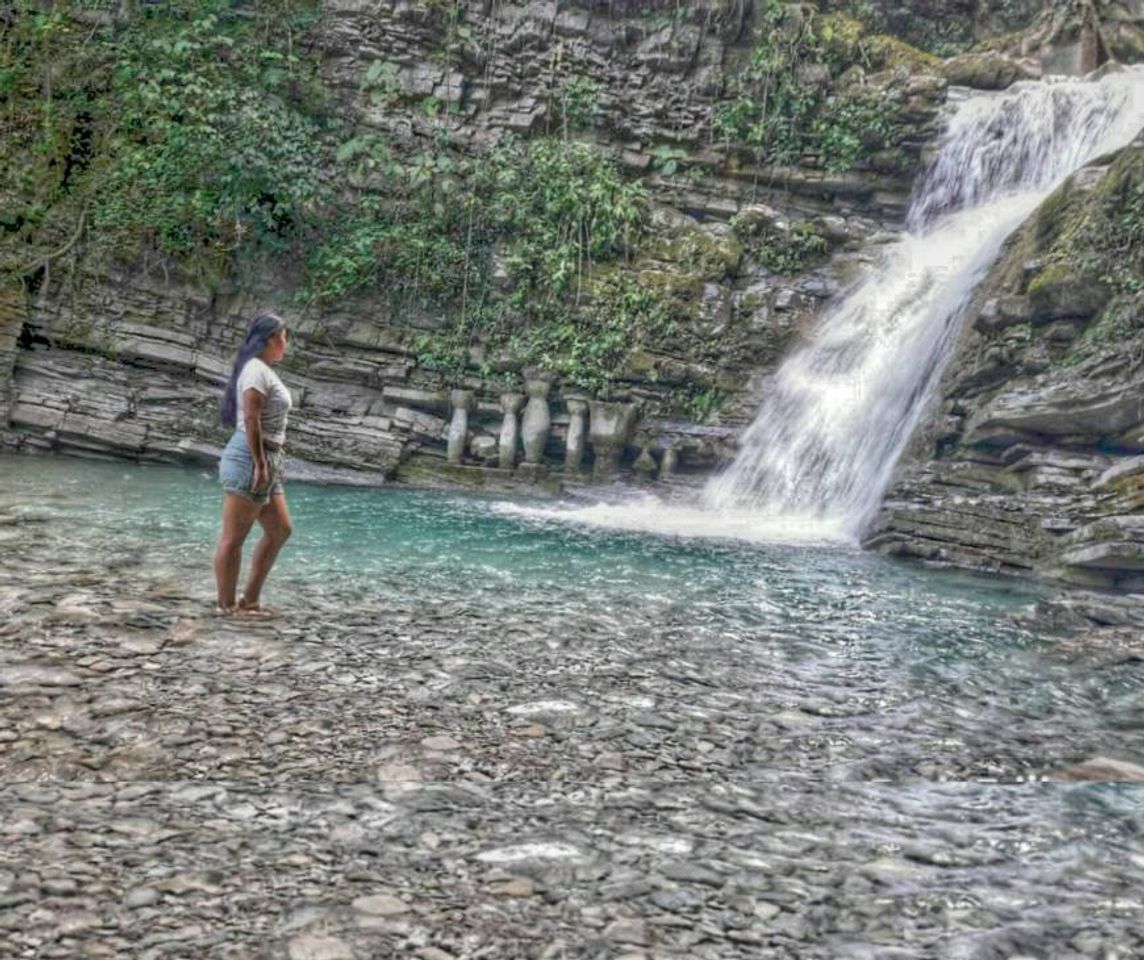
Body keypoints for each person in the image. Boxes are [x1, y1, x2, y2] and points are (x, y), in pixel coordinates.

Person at [213, 311, 294, 615]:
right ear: (272, 338)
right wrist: (260, 464)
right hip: (251, 457)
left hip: (267, 458)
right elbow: (251, 417)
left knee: (281, 530)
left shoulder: (263, 370)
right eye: (284, 337)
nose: (286, 343)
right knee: (233, 539)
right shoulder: (255, 370)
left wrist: (268, 464)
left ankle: (250, 601)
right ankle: (226, 607)